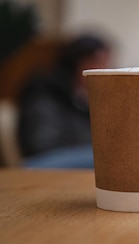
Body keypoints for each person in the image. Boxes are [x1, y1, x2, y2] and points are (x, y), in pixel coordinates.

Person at [17, 32, 113, 168]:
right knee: (109, 157)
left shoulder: (80, 93)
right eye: (99, 63)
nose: (104, 70)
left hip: (68, 156)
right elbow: (42, 142)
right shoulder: (45, 89)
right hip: (42, 161)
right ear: (78, 61)